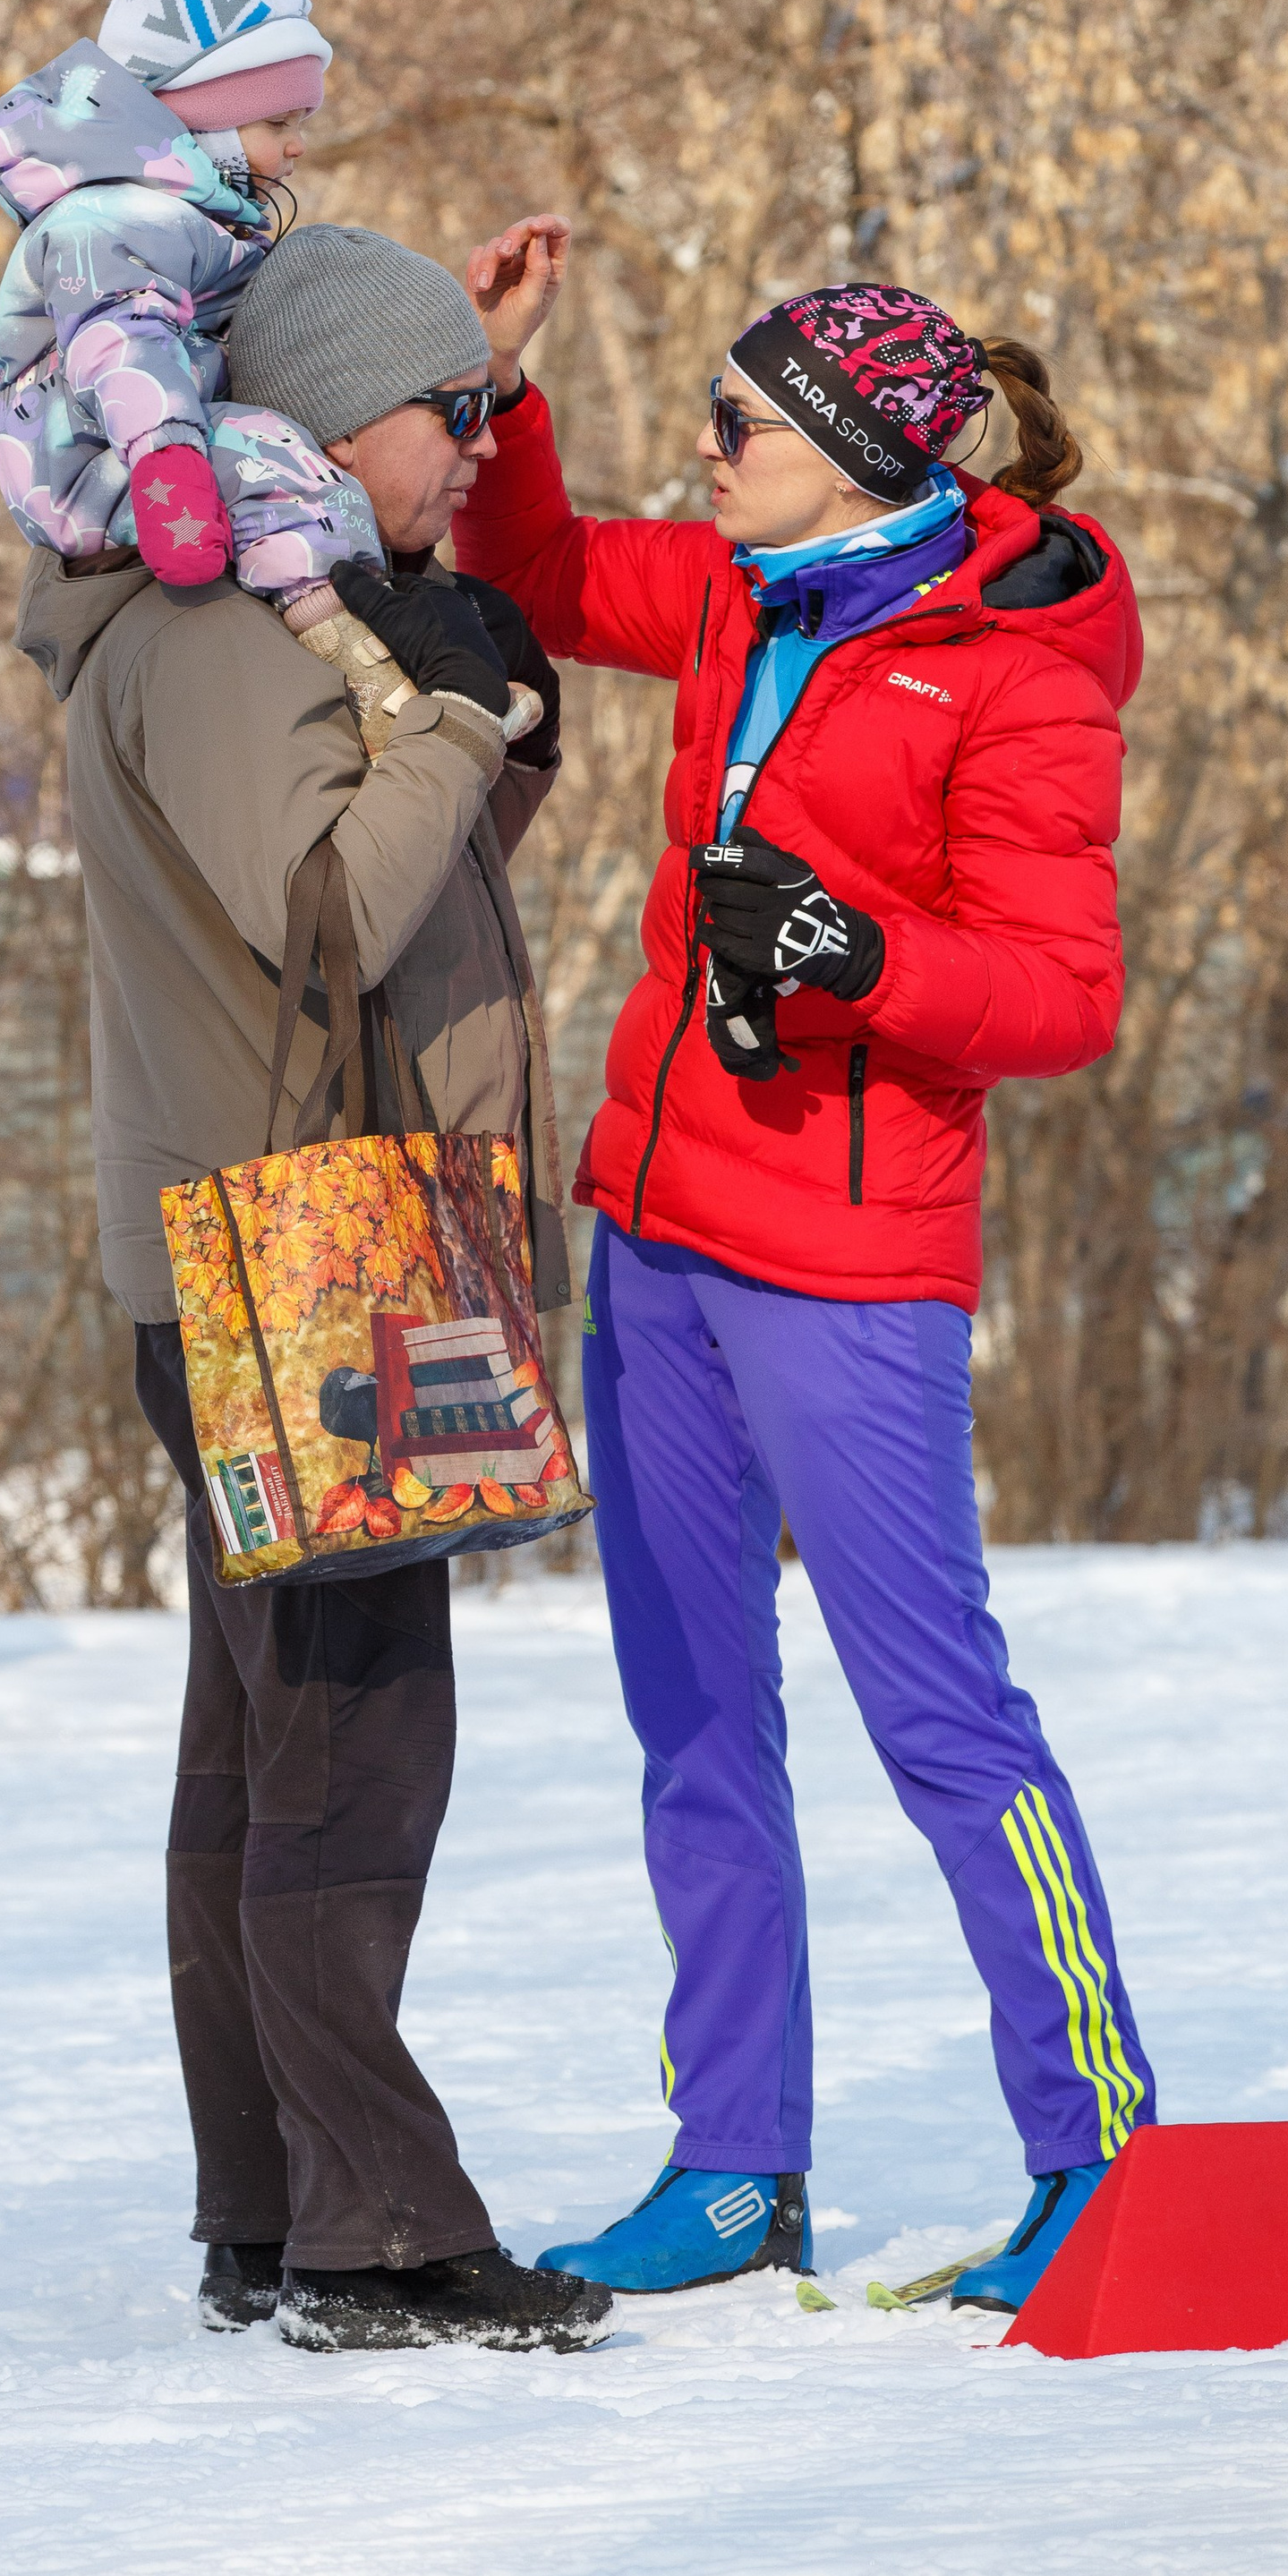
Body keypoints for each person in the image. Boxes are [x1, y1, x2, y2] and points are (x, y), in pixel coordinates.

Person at [451, 275, 1155, 2318]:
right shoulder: (738, 588)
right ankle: (732, 2159)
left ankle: (1092, 2150)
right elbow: (545, 567)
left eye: (733, 419)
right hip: (655, 1226)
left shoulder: (1011, 667)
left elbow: (1061, 995)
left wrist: (854, 950)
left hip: (848, 1259)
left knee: (936, 1712)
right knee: (689, 1712)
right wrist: (499, 392)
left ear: (853, 447)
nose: (704, 443)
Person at [18, 218, 610, 2356]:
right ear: (332, 415)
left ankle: (269, 2199)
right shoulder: (207, 631)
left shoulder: (239, 614)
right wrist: (450, 709)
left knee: (258, 1738)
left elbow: (404, 864)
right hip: (302, 1254)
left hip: (259, 1241)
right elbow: (333, 910)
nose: (468, 445)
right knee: (348, 1738)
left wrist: (459, 696)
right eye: (444, 413)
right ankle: (376, 2225)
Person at [0, 0, 384, 598]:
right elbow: (124, 345)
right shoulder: (106, 221)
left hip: (153, 453)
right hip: (93, 468)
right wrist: (171, 479)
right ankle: (343, 640)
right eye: (277, 121)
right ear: (206, 124)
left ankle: (368, 621)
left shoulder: (186, 217)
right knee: (282, 469)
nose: (298, 144)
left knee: (326, 473)